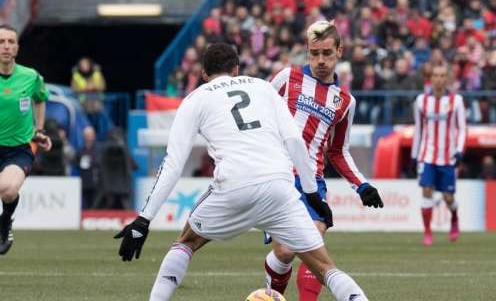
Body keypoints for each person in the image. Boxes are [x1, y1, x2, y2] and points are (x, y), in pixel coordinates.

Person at [114, 43, 371, 301]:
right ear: (236, 69)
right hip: (280, 186)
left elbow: (173, 163)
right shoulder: (261, 87)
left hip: (233, 186)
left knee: (186, 242)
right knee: (326, 268)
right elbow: (294, 140)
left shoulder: (195, 99)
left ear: (203, 73)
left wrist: (143, 220)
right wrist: (313, 194)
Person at [266, 20, 383, 300]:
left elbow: (338, 151)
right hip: (278, 177)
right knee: (284, 252)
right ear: (307, 52)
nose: (320, 60)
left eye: (327, 53)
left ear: (339, 51)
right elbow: (260, 117)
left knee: (312, 244)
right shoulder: (286, 78)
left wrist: (362, 185)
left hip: (312, 183)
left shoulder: (345, 101)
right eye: (314, 53)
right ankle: (272, 295)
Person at [0, 24, 51, 254]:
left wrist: (38, 130)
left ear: (17, 48)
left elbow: (40, 98)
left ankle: (5, 221)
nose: (6, 46)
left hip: (17, 149)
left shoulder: (31, 76)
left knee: (9, 189)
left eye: (11, 42)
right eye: (1, 42)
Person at [411, 63, 466, 246]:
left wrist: (459, 150)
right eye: (436, 75)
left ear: (447, 79)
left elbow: (462, 128)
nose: (439, 79)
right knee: (426, 191)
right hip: (427, 155)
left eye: (443, 76)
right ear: (431, 78)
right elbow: (418, 129)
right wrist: (414, 155)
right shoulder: (421, 101)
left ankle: (454, 217)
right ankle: (427, 232)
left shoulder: (456, 101)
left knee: (447, 197)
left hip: (448, 156)